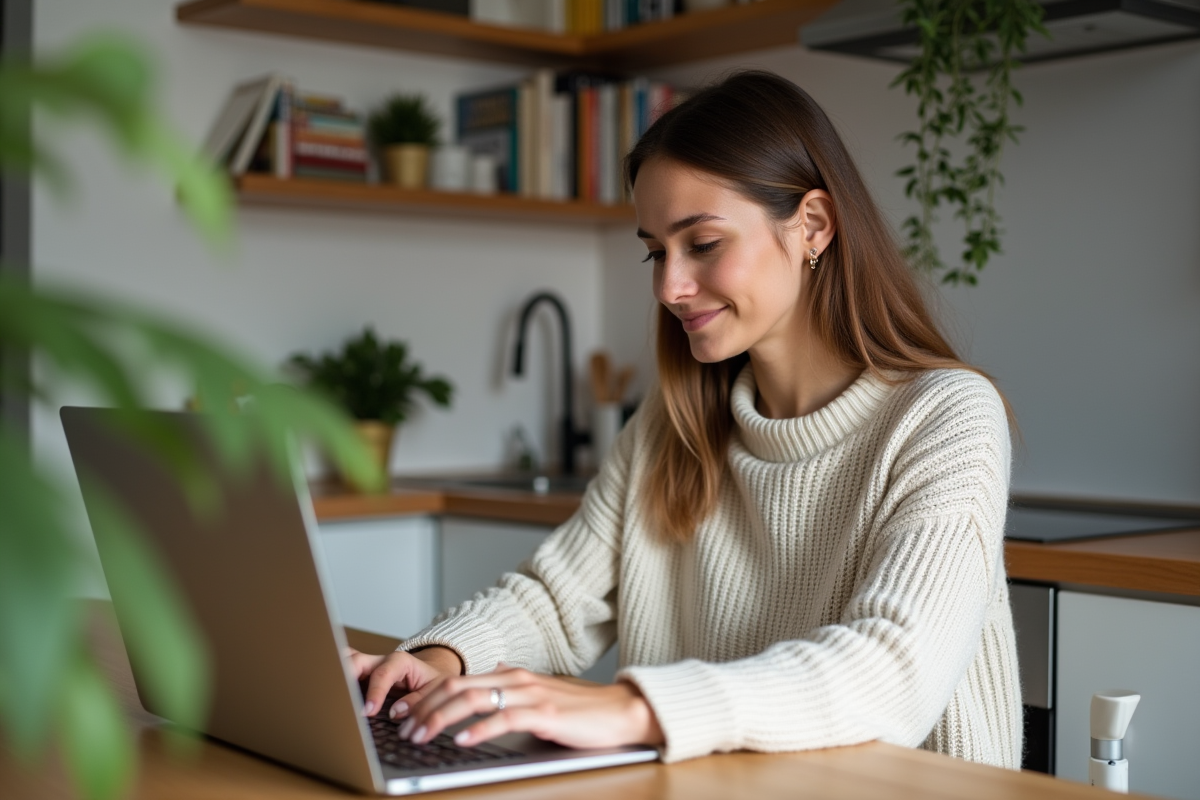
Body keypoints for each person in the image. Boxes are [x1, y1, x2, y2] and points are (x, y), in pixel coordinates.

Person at [348, 70, 1022, 768]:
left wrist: (631, 707)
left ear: (813, 226)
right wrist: (440, 659)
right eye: (655, 250)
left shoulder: (944, 416)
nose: (669, 286)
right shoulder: (674, 425)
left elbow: (893, 672)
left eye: (702, 244)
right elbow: (554, 601)